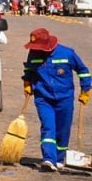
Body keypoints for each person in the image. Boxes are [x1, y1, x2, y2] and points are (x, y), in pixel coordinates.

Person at [22, 27, 92, 171]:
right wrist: (27, 83)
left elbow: (83, 71)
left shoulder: (67, 53)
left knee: (63, 129)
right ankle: (49, 159)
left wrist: (86, 89)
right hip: (43, 98)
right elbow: (29, 70)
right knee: (48, 127)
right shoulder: (33, 54)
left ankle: (59, 158)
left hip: (64, 98)